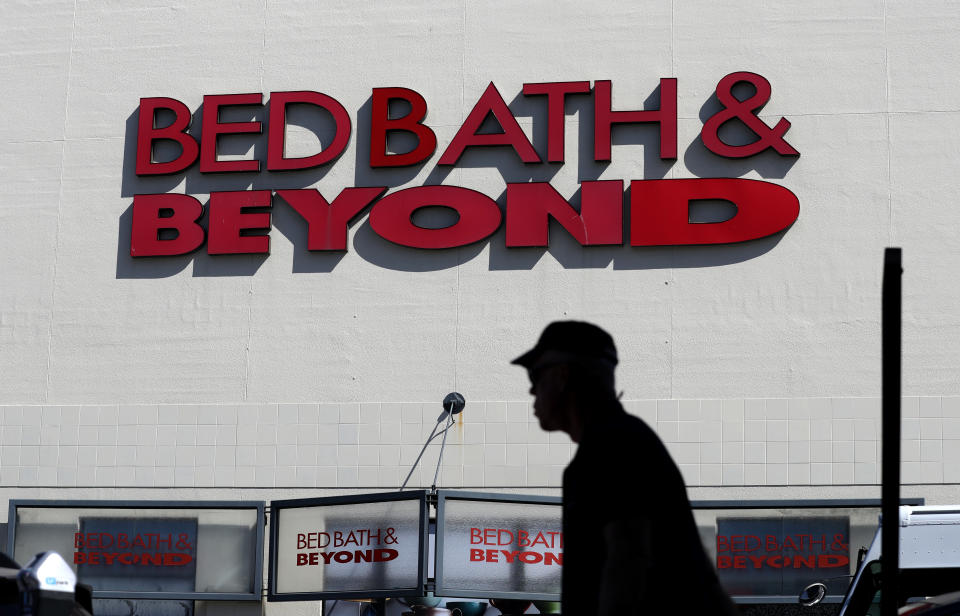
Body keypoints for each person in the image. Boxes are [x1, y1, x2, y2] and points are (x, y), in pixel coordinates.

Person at [512, 321, 738, 616]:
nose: (531, 389)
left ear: (562, 375)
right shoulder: (629, 440)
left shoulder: (611, 447)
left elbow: (629, 558)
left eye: (535, 374)